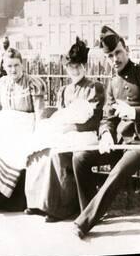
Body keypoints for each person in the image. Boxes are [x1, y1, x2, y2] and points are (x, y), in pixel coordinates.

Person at [72, 26, 140, 238]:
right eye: (110, 56)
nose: (115, 59)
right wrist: (105, 134)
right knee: (80, 158)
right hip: (120, 143)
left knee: (117, 172)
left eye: (118, 53)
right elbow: (108, 117)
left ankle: (84, 222)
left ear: (127, 50)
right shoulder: (112, 83)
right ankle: (90, 210)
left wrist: (133, 112)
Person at [24, 38, 105, 222]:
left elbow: (94, 121)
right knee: (40, 148)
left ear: (85, 66)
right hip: (68, 133)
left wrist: (70, 128)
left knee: (56, 153)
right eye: (71, 67)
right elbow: (61, 116)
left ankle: (61, 207)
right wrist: (60, 127)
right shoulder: (64, 90)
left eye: (78, 66)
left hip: (86, 134)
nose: (74, 71)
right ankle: (38, 202)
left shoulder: (94, 88)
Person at [0, 46, 46, 212]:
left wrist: (40, 134)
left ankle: (5, 195)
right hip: (5, 124)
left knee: (11, 147)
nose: (13, 69)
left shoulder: (32, 83)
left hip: (26, 124)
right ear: (4, 67)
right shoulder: (0, 84)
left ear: (22, 65)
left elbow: (40, 112)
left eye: (16, 65)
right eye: (9, 66)